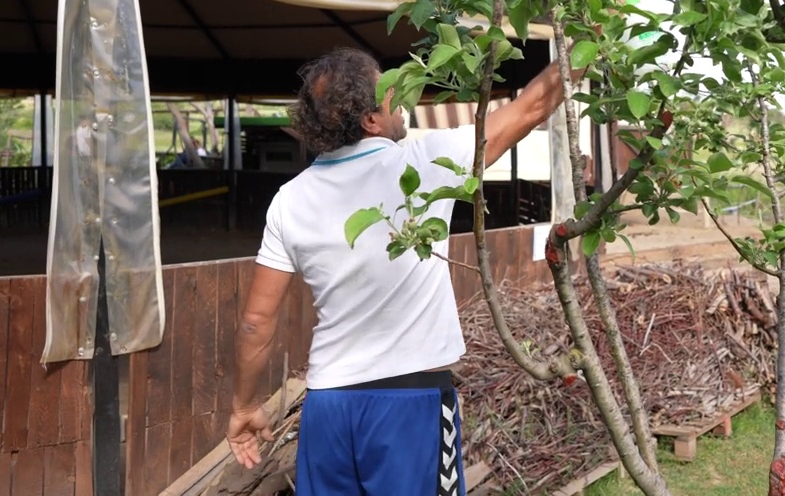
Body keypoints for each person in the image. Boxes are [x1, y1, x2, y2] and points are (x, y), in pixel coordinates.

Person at [224, 46, 571, 496]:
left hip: (328, 405)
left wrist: (245, 403)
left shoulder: (289, 199)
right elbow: (532, 106)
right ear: (370, 120)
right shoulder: (426, 163)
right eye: (392, 91)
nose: (404, 98)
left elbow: (255, 322)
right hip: (411, 401)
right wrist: (578, 48)